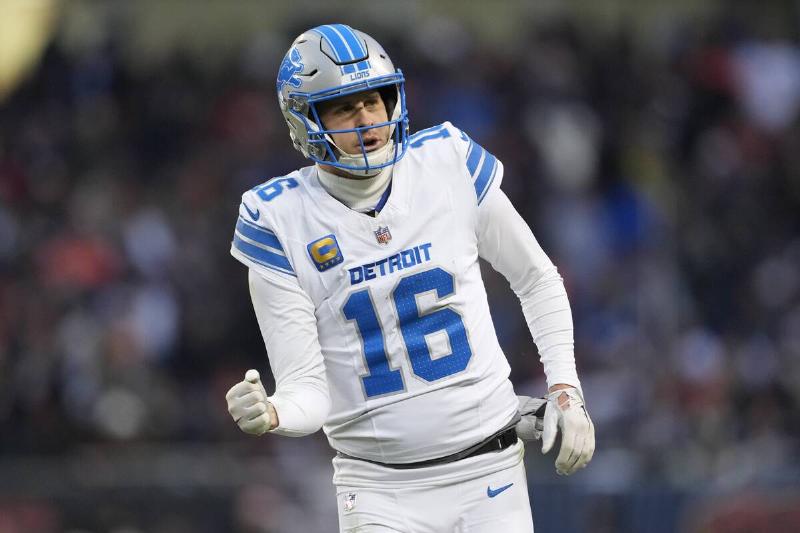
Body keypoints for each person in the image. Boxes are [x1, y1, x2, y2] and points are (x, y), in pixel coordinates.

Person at [225, 24, 594, 532]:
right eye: (343, 108)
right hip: (380, 490)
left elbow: (536, 278)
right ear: (304, 120)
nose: (366, 119)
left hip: (491, 472)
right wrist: (273, 411)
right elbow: (306, 388)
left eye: (373, 100)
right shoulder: (277, 218)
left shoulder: (447, 160)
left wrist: (566, 389)